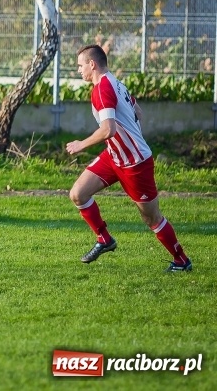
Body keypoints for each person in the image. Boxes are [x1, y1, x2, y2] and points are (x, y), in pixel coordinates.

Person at [66, 44, 192, 272]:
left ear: (92, 64)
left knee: (151, 218)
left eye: (80, 65)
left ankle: (181, 260)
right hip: (114, 157)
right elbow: (138, 111)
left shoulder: (102, 88)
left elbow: (108, 130)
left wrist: (80, 144)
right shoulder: (115, 82)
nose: (78, 70)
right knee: (78, 193)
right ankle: (104, 239)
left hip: (135, 164)